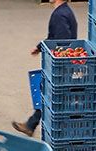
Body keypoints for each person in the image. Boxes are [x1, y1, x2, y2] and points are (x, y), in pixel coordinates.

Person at [12, 0, 77, 137]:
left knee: (52, 95)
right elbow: (53, 38)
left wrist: (56, 59)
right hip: (63, 63)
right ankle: (31, 124)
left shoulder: (60, 15)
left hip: (60, 64)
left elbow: (61, 41)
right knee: (50, 95)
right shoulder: (64, 12)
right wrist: (40, 47)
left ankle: (32, 125)